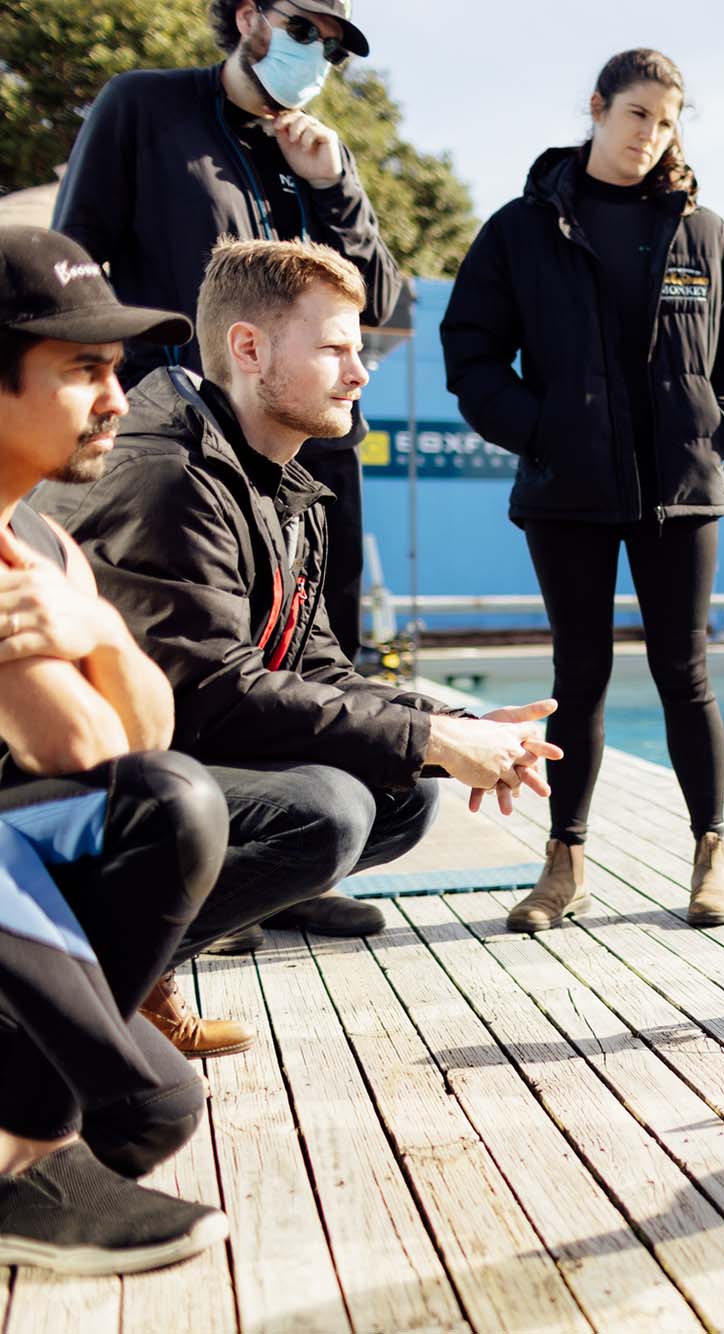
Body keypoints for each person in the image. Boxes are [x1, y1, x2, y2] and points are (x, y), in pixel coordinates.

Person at [32, 238, 563, 1051]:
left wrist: (453, 723)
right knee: (329, 812)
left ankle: (133, 971)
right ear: (249, 349)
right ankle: (64, 976)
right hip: (59, 782)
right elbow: (208, 690)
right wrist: (429, 736)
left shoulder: (283, 486)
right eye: (336, 349)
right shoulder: (168, 477)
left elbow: (312, 669)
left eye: (360, 352)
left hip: (161, 757)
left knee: (406, 792)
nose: (359, 374)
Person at [441, 49, 724, 933]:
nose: (650, 137)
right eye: (637, 116)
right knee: (578, 675)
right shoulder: (523, 228)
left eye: (666, 122)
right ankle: (566, 862)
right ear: (596, 107)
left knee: (685, 673)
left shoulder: (704, 232)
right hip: (568, 489)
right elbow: (470, 352)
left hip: (682, 490)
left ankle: (711, 853)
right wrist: (539, 429)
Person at [0, 224, 231, 1272]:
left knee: (165, 1102)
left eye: (120, 370)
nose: (116, 399)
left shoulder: (43, 540)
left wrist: (91, 629)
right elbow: (80, 743)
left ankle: (35, 1134)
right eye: (84, 369)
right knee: (162, 806)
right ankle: (27, 1160)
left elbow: (150, 726)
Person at [53, 1, 396, 705]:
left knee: (326, 667)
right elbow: (75, 268)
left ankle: (316, 807)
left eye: (330, 48)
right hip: (185, 445)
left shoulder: (321, 153)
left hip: (311, 448)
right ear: (249, 16)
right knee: (194, 667)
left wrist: (338, 187)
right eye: (304, 30)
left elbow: (379, 300)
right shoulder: (144, 106)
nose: (315, 56)